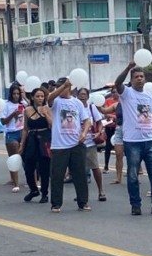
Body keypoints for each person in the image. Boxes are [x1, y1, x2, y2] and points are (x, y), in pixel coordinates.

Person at [112, 60, 152, 216]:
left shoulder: (148, 96)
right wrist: (128, 68)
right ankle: (135, 205)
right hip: (133, 142)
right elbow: (117, 83)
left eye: (142, 76)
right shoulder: (126, 93)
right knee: (133, 175)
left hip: (150, 140)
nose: (140, 79)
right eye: (136, 76)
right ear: (131, 80)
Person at [47, 80, 91, 213]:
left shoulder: (77, 102)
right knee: (57, 176)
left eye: (67, 87)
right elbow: (49, 98)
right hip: (59, 146)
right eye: (61, 87)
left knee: (80, 175)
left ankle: (83, 202)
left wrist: (84, 133)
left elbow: (87, 120)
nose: (64, 90)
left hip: (76, 144)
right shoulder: (56, 101)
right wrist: (61, 87)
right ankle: (56, 204)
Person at [20, 88, 53, 203]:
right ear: (32, 97)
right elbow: (25, 128)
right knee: (28, 166)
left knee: (44, 168)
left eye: (42, 96)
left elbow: (52, 125)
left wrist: (46, 115)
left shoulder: (47, 109)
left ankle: (44, 193)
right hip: (32, 139)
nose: (40, 98)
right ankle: (33, 189)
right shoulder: (27, 110)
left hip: (44, 139)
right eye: (38, 96)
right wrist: (22, 144)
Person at [77, 88, 107, 202]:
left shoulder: (91, 107)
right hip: (77, 142)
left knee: (94, 167)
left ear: (88, 96)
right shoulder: (74, 107)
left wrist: (98, 133)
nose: (82, 96)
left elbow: (99, 122)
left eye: (84, 94)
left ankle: (101, 191)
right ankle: (82, 194)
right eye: (80, 94)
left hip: (89, 142)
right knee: (79, 170)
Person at [0, 84, 26, 192]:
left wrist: (24, 97)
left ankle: (32, 180)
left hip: (23, 131)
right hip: (11, 132)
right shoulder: (6, 105)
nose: (16, 96)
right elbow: (3, 121)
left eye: (18, 94)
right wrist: (13, 114)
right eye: (14, 94)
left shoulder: (23, 104)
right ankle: (15, 182)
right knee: (14, 157)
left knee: (27, 156)